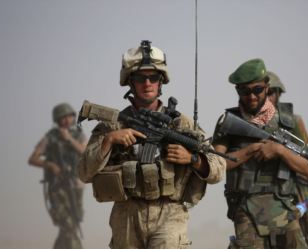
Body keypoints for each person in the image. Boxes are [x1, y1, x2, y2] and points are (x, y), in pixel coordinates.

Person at [78, 40, 226, 249]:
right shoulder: (113, 125)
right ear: (130, 82)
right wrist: (110, 140)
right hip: (126, 215)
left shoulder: (182, 124)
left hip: (170, 214)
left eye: (153, 77)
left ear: (161, 82)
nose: (147, 83)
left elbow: (219, 168)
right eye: (140, 78)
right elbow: (84, 172)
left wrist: (192, 159)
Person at [212, 58, 308, 249]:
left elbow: (307, 170)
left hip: (283, 209)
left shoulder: (287, 122)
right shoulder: (228, 122)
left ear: (267, 87)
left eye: (257, 89)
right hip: (246, 211)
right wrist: (251, 150)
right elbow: (216, 164)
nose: (251, 96)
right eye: (244, 91)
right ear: (238, 91)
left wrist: (279, 150)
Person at [267, 71, 308, 249]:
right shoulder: (254, 120)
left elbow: (307, 159)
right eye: (266, 92)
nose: (267, 98)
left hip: (299, 187)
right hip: (273, 190)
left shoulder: (292, 121)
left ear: (278, 94)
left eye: (271, 93)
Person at [28, 103, 87, 249]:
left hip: (76, 186)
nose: (67, 120)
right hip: (57, 187)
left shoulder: (79, 135)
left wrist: (69, 140)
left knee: (73, 220)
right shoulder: (51, 137)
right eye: (63, 118)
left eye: (69, 116)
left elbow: (85, 154)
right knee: (68, 225)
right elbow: (33, 158)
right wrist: (49, 165)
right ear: (57, 120)